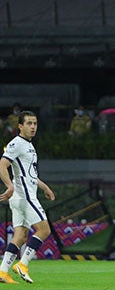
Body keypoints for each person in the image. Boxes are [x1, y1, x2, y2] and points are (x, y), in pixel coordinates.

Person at [0, 110, 55, 284]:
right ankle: (22, 264)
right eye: (29, 123)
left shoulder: (28, 145)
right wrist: (9, 185)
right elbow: (2, 164)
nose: (33, 127)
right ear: (20, 126)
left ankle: (2, 272)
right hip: (24, 196)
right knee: (44, 230)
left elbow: (29, 174)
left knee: (21, 235)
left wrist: (45, 187)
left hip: (21, 196)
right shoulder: (17, 143)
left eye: (35, 123)